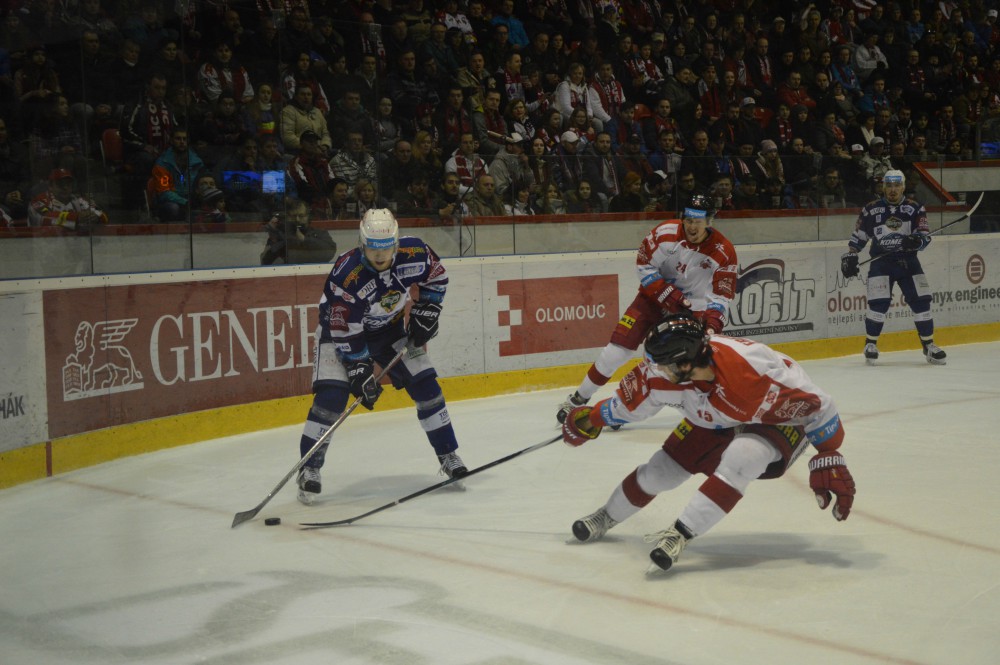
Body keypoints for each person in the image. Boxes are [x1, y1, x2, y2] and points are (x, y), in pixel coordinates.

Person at [561, 313, 856, 572]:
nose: (654, 370)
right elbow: (627, 406)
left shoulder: (753, 374)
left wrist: (828, 453)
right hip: (716, 416)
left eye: (663, 365)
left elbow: (820, 406)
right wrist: (590, 420)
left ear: (685, 364)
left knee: (744, 455)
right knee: (662, 471)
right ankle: (606, 516)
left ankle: (681, 533)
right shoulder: (662, 375)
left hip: (774, 419)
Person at [295, 209, 467, 504]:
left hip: (389, 332)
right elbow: (342, 327)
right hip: (339, 336)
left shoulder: (415, 253)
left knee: (426, 386)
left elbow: (437, 277)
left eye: (386, 247)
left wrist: (428, 309)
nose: (379, 255)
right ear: (362, 243)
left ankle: (448, 454)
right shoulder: (347, 274)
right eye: (373, 247)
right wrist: (358, 368)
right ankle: (308, 469)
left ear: (396, 242)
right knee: (331, 398)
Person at [555, 195, 738, 424]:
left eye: (698, 222)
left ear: (709, 221)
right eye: (688, 220)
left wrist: (713, 323)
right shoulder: (665, 233)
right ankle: (578, 399)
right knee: (617, 349)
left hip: (693, 311)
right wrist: (667, 294)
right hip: (652, 299)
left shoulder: (724, 251)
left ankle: (712, 412)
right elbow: (644, 264)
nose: (692, 227)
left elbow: (721, 295)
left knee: (691, 365)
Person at [840, 169, 947, 366]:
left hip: (909, 263)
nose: (892, 190)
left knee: (921, 302)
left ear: (903, 187)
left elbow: (924, 236)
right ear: (883, 187)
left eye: (897, 185)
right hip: (881, 263)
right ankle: (870, 344)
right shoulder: (871, 209)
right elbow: (859, 236)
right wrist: (851, 255)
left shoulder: (915, 208)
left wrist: (916, 241)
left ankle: (929, 345)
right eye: (888, 185)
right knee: (878, 304)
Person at [260, 198, 337, 265]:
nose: (297, 219)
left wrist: (304, 239)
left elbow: (330, 252)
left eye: (301, 216)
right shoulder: (281, 235)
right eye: (293, 216)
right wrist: (273, 237)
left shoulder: (319, 233)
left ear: (308, 216)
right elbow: (265, 262)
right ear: (288, 217)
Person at [28, 169, 109, 232]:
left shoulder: (80, 200)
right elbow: (45, 218)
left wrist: (96, 217)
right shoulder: (38, 201)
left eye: (68, 184)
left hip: (75, 244)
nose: (65, 187)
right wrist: (76, 218)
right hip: (44, 244)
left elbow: (103, 215)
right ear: (50, 186)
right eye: (60, 184)